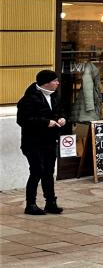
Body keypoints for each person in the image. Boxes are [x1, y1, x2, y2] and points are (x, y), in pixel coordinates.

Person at [16, 69, 68, 215]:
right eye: (55, 80)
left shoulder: (55, 96)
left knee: (49, 172)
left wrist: (62, 119)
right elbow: (23, 120)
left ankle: (50, 203)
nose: (58, 83)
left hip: (50, 141)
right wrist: (46, 122)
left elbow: (60, 112)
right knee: (37, 171)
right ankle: (30, 204)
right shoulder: (29, 98)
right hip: (33, 142)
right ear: (46, 83)